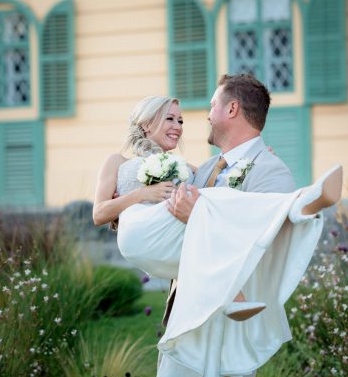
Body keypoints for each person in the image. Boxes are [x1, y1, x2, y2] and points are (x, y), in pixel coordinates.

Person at [97, 75, 341, 377]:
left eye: (212, 105)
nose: (205, 115)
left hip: (227, 329)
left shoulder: (271, 170)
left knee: (220, 205)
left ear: (232, 109)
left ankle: (299, 206)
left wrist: (196, 214)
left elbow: (264, 243)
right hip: (185, 312)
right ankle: (298, 203)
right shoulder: (202, 168)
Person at [93, 95, 270, 321]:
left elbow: (221, 179)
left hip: (166, 240)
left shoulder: (181, 166)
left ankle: (231, 295)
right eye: (170, 119)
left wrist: (256, 162)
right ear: (146, 124)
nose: (177, 127)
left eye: (180, 121)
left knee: (213, 203)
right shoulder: (117, 161)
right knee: (208, 205)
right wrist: (141, 194)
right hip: (138, 233)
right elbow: (98, 214)